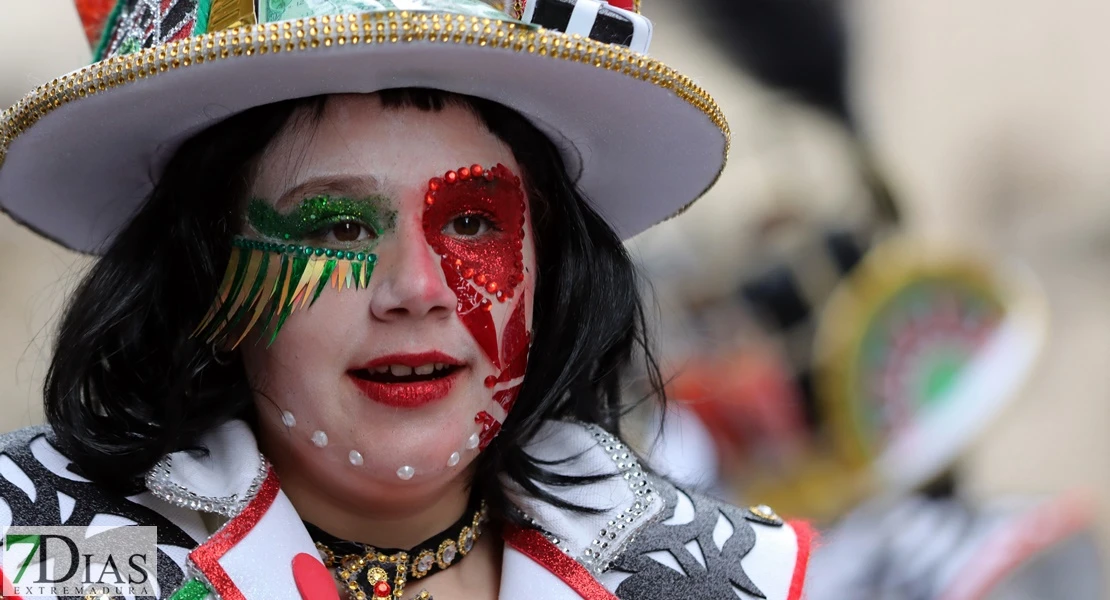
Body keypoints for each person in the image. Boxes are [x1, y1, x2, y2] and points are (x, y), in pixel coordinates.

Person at [0, 1, 811, 599]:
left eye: (469, 222)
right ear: (205, 269)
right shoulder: (47, 550)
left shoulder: (725, 577)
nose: (416, 292)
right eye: (341, 227)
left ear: (550, 259)